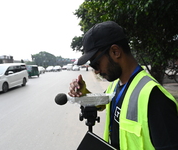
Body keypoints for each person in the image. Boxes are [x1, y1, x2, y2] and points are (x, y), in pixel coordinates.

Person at [68, 21, 178, 150]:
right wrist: (84, 93)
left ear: (115, 52)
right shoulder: (116, 84)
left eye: (96, 64)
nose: (96, 71)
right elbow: (102, 102)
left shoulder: (154, 98)